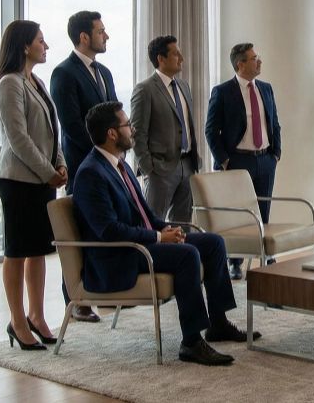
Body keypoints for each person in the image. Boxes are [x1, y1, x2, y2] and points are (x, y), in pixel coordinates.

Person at [70, 101, 259, 365]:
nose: (133, 130)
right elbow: (109, 231)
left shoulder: (120, 165)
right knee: (187, 255)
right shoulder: (91, 173)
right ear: (112, 133)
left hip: (140, 244)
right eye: (127, 125)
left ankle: (218, 323)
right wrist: (159, 238)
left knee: (214, 242)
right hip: (118, 256)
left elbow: (144, 214)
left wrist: (164, 228)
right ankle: (191, 342)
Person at [0, 20, 66, 352]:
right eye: (40, 40)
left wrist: (59, 164)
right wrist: (48, 171)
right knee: (17, 250)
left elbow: (51, 131)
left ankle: (37, 315)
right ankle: (17, 320)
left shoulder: (36, 82)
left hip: (43, 178)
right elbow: (18, 139)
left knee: (38, 250)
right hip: (19, 180)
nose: (45, 46)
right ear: (24, 45)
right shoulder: (9, 83)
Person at [50, 10, 116, 323]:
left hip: (109, 166)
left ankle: (107, 291)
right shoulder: (64, 73)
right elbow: (72, 125)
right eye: (101, 31)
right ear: (84, 37)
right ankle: (76, 300)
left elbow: (113, 116)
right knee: (78, 234)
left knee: (104, 229)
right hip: (83, 167)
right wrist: (100, 153)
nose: (106, 36)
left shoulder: (105, 73)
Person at [204, 43, 282, 280]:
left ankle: (266, 256)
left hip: (265, 159)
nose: (259, 61)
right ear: (240, 64)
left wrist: (276, 154)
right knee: (238, 214)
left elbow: (274, 123)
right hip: (237, 161)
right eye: (254, 58)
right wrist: (225, 161)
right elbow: (211, 131)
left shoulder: (266, 88)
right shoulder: (223, 91)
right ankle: (235, 261)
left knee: (263, 210)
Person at [130, 35, 201, 223]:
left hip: (187, 165)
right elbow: (137, 133)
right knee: (154, 223)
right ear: (161, 59)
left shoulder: (184, 86)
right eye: (176, 54)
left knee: (183, 225)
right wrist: (148, 169)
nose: (182, 58)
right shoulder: (144, 89)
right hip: (160, 170)